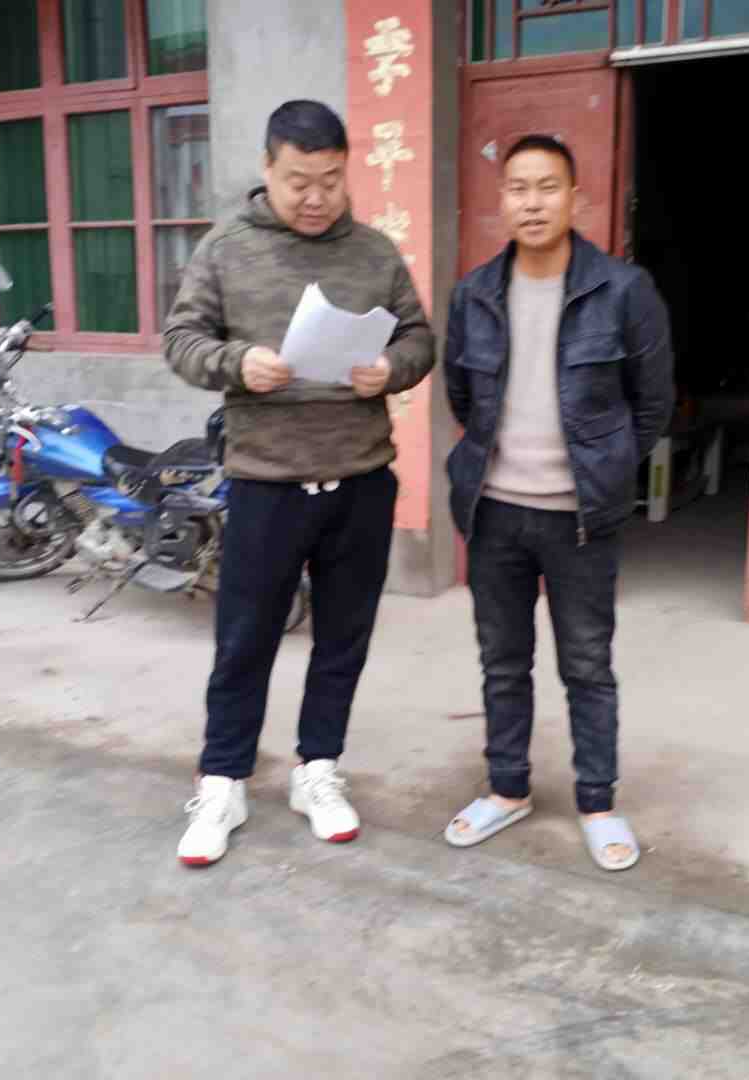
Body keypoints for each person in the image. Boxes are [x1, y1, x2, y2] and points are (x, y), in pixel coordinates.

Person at [164, 100, 435, 867]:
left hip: (360, 479)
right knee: (244, 640)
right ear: (268, 170)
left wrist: (392, 367)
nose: (316, 198)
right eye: (298, 182)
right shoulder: (226, 248)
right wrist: (235, 364)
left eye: (330, 181)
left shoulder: (374, 251)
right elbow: (180, 339)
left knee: (343, 639)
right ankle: (223, 782)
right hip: (267, 484)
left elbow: (419, 337)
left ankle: (318, 769)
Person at [441, 134, 674, 871]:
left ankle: (598, 802)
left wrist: (606, 468)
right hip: (494, 512)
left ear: (576, 197)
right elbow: (461, 394)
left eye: (548, 187)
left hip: (580, 518)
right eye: (518, 188)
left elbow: (653, 403)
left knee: (587, 665)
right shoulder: (474, 293)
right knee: (502, 662)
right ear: (502, 200)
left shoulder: (623, 290)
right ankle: (507, 789)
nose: (533, 202)